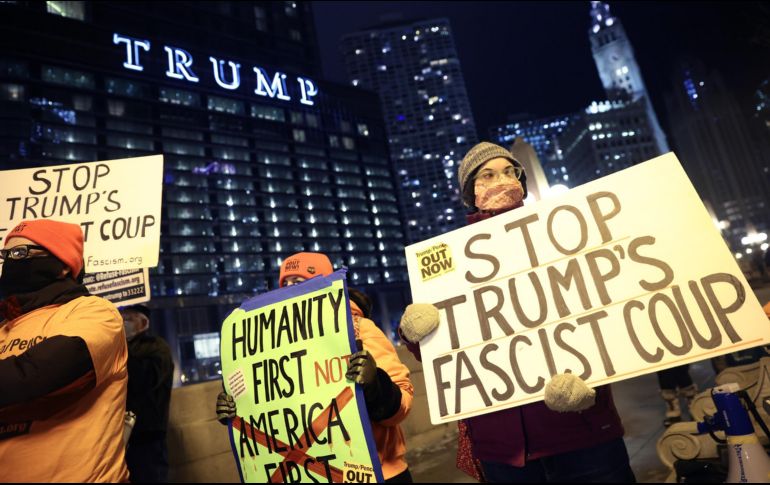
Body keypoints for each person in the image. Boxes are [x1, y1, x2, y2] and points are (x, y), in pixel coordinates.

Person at [399, 142, 636, 483]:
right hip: (505, 452)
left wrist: (593, 381)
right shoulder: (450, 261)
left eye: (510, 171)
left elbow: (602, 311)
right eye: (488, 174)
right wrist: (415, 334)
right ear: (471, 191)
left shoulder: (559, 233)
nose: (503, 180)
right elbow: (449, 353)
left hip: (581, 432)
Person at [216, 252, 415, 482]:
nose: (290, 290)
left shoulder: (360, 329)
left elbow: (404, 402)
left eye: (299, 283)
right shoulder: (275, 346)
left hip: (381, 472)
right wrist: (236, 410)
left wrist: (375, 385)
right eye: (285, 284)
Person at [0, 219, 129, 482]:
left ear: (62, 266)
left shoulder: (94, 313)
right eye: (6, 255)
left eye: (22, 253)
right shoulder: (4, 327)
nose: (11, 263)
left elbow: (38, 377)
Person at [120, 304, 174, 483]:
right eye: (122, 318)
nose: (123, 323)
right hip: (123, 437)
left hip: (149, 436)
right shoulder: (121, 348)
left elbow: (144, 379)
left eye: (129, 319)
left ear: (143, 322)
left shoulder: (156, 347)